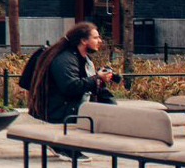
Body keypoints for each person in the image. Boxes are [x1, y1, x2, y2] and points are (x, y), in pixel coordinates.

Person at [27, 22, 118, 160]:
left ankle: (66, 146)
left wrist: (111, 104)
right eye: (95, 38)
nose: (100, 41)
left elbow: (89, 83)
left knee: (107, 112)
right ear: (83, 40)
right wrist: (97, 78)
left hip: (71, 107)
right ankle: (64, 147)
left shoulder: (84, 59)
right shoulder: (65, 59)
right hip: (59, 110)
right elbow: (70, 87)